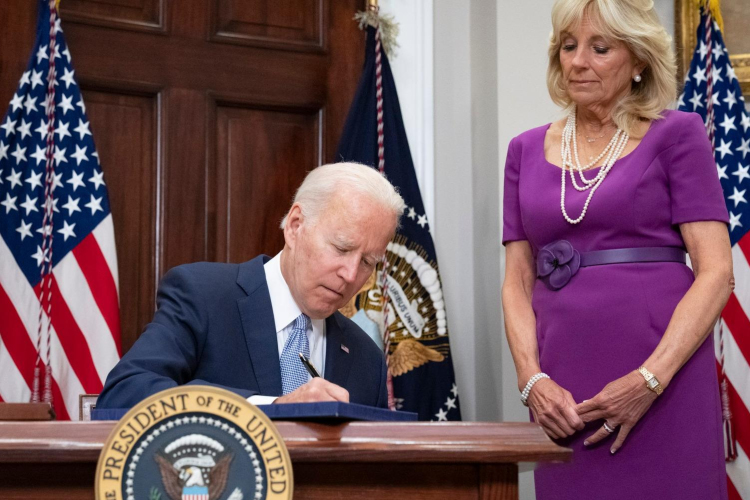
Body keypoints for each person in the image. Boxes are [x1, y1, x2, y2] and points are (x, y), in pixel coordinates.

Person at [501, 1, 732, 498]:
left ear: (639, 59)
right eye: (568, 47)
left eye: (600, 48)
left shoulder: (678, 134)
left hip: (664, 380)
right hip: (564, 394)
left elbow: (716, 272)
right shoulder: (523, 150)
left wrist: (649, 380)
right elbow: (517, 280)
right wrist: (531, 380)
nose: (578, 61)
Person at [98, 162, 405, 409]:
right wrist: (272, 408)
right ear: (296, 226)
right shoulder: (203, 296)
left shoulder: (366, 359)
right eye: (341, 248)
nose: (351, 275)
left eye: (368, 262)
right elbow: (124, 393)